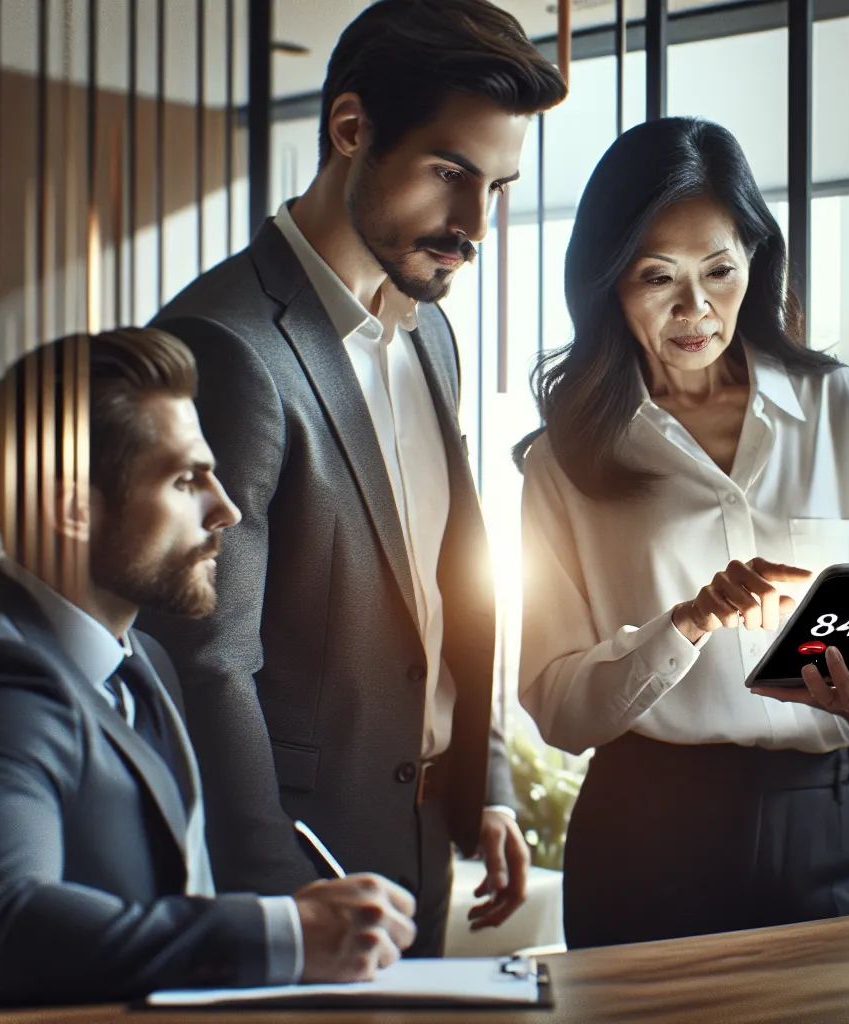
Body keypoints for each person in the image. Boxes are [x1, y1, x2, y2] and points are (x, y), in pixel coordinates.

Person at [139, 0, 564, 955]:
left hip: (413, 850)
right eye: (451, 174)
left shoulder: (432, 333)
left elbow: (446, 588)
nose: (474, 226)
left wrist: (480, 782)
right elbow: (205, 663)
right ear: (350, 128)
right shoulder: (226, 346)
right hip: (297, 869)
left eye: (497, 187)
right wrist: (282, 902)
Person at [0, 329, 418, 1010]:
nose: (227, 510)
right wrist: (288, 931)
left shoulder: (144, 662)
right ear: (71, 509)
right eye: (187, 479)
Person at [514, 117, 849, 949]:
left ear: (754, 262)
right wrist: (686, 624)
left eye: (720, 271)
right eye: (657, 277)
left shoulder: (840, 408)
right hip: (644, 834)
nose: (696, 309)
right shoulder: (569, 456)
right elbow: (555, 706)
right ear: (608, 283)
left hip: (825, 821)